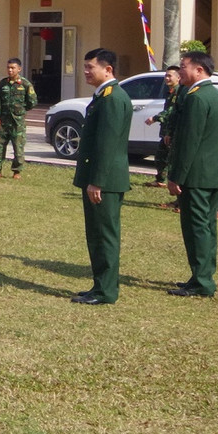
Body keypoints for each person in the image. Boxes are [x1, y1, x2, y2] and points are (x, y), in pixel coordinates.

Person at [70, 48, 132, 305]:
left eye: (90, 67)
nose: (86, 71)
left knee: (104, 235)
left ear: (108, 70)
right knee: (96, 234)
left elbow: (108, 145)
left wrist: (97, 181)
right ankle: (100, 285)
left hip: (104, 181)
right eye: (84, 66)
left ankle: (106, 291)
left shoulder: (113, 98)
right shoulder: (103, 96)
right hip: (99, 178)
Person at [165, 51, 218, 298]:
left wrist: (175, 176)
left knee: (197, 227)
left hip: (196, 175)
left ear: (199, 70)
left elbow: (188, 143)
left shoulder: (196, 99)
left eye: (184, 67)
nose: (180, 71)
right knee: (208, 225)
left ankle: (202, 282)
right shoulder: (216, 96)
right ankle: (203, 275)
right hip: (213, 173)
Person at [0, 57, 37, 179]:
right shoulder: (2, 84)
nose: (10, 70)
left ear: (19, 69)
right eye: (8, 68)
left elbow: (32, 101)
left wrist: (21, 110)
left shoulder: (25, 84)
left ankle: (17, 171)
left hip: (17, 122)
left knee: (18, 147)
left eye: (13, 68)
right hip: (4, 121)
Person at [145, 65, 181, 189]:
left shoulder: (178, 92)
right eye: (166, 75)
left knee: (169, 158)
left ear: (178, 77)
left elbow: (171, 111)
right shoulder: (170, 92)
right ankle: (160, 180)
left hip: (172, 132)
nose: (166, 78)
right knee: (161, 156)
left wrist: (154, 118)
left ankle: (172, 182)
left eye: (169, 76)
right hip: (167, 131)